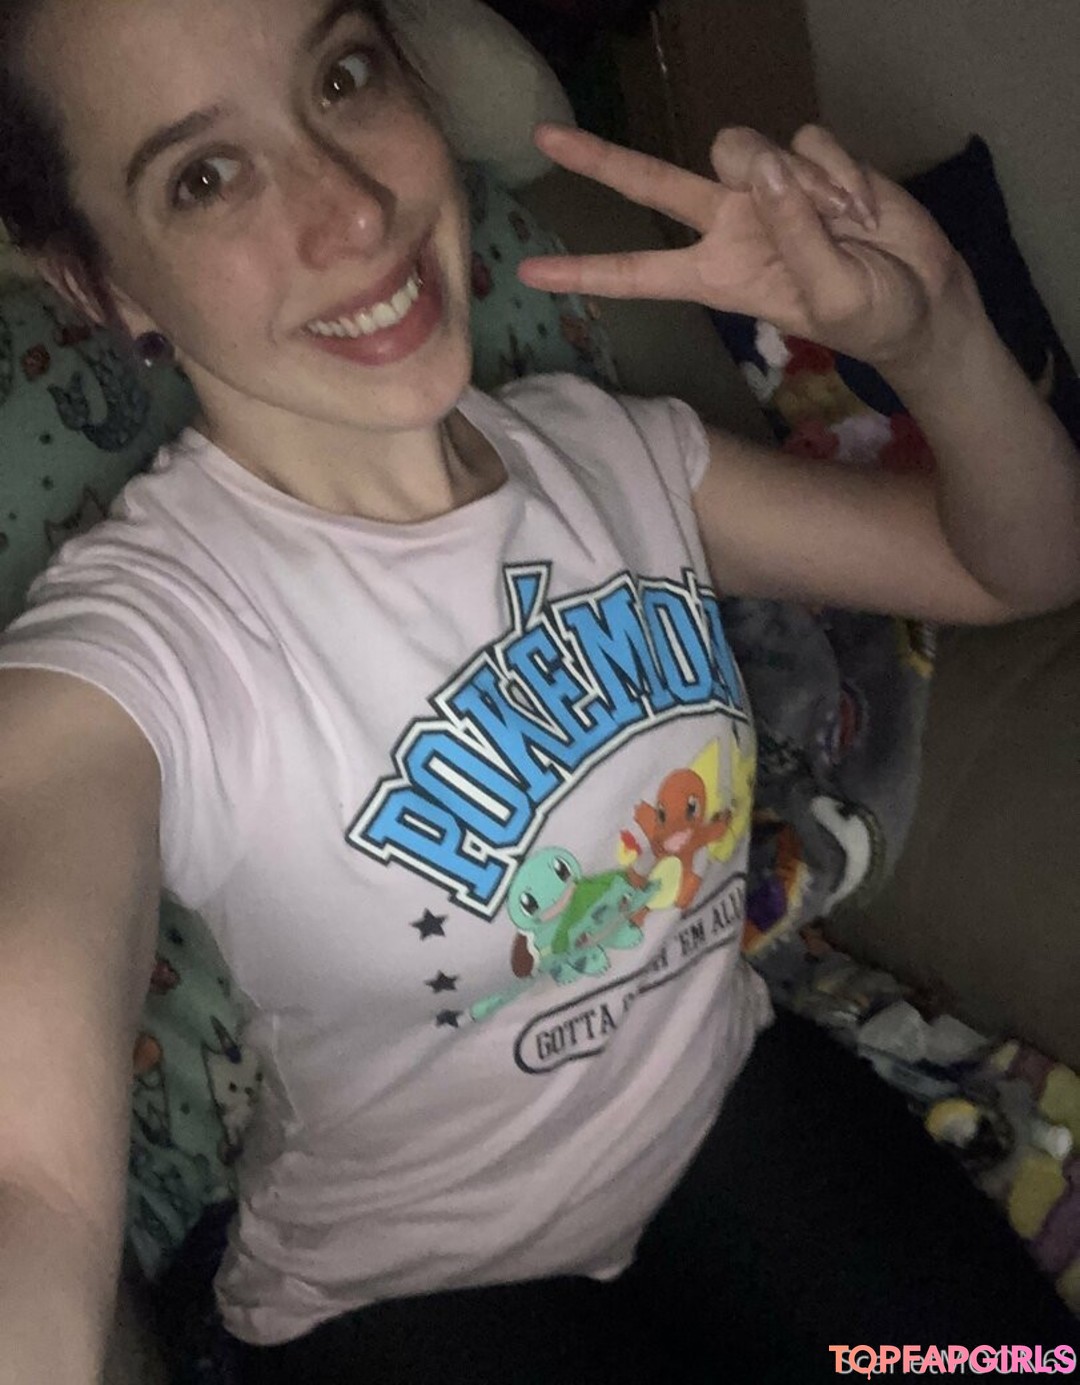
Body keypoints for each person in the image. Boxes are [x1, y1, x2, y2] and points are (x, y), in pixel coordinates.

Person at [0, 0, 1077, 1381]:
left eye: (343, 77)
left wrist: (937, 336)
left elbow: (1016, 565)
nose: (352, 210)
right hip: (406, 1286)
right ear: (107, 285)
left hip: (722, 1103)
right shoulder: (141, 643)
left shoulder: (610, 452)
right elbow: (32, 1183)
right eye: (204, 176)